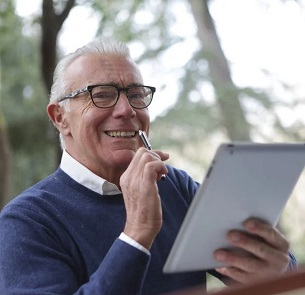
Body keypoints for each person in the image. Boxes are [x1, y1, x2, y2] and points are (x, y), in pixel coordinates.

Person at [0, 37, 297, 295]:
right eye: (102, 94)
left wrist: (276, 268)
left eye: (136, 94)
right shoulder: (25, 222)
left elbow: (260, 268)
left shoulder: (174, 186)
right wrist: (137, 234)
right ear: (60, 118)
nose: (127, 109)